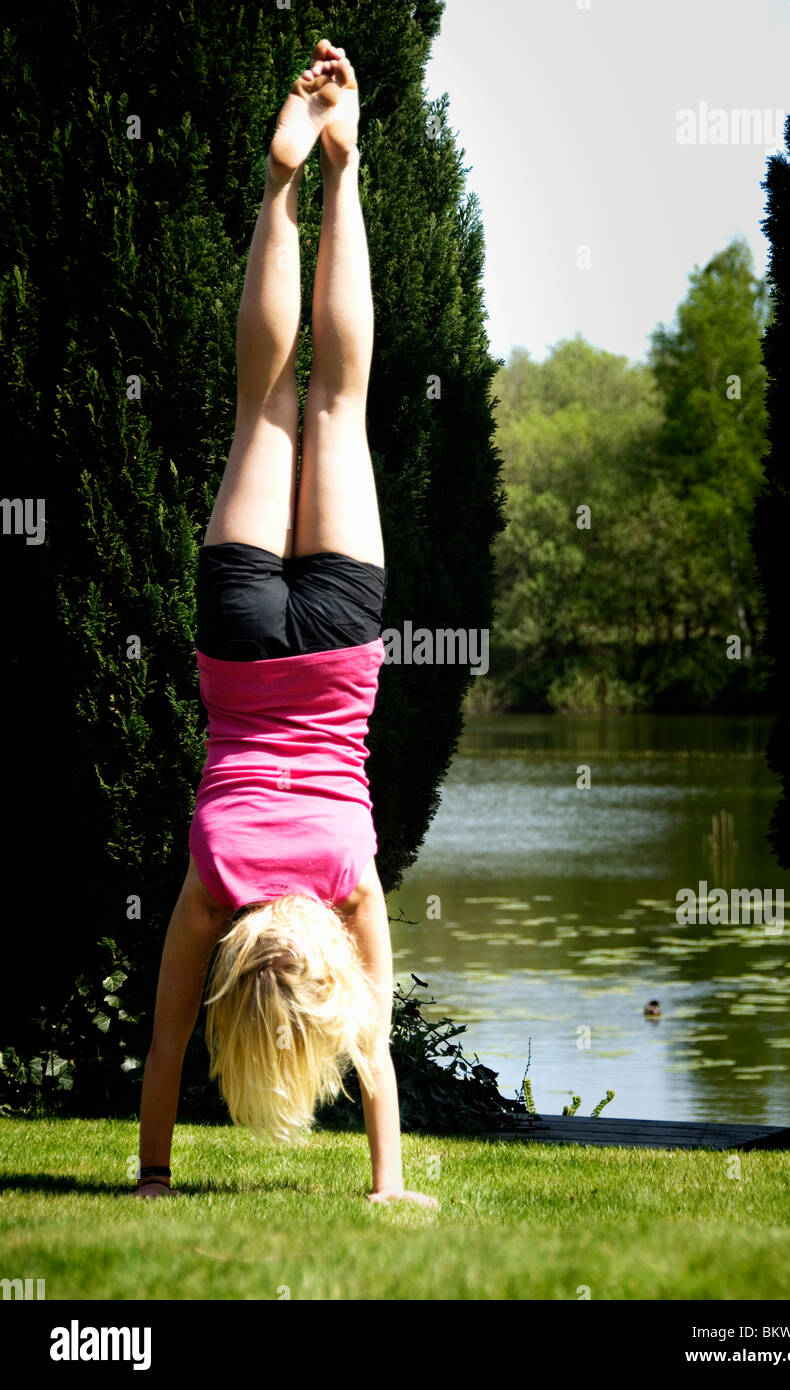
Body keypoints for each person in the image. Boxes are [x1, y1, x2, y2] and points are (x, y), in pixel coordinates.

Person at [129, 41, 437, 1210]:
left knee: (335, 403)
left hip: (341, 638)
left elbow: (375, 1058)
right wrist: (151, 1175)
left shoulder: (352, 880)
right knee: (264, 401)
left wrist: (388, 1182)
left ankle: (338, 170)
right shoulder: (214, 882)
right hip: (241, 635)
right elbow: (165, 1057)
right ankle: (285, 184)